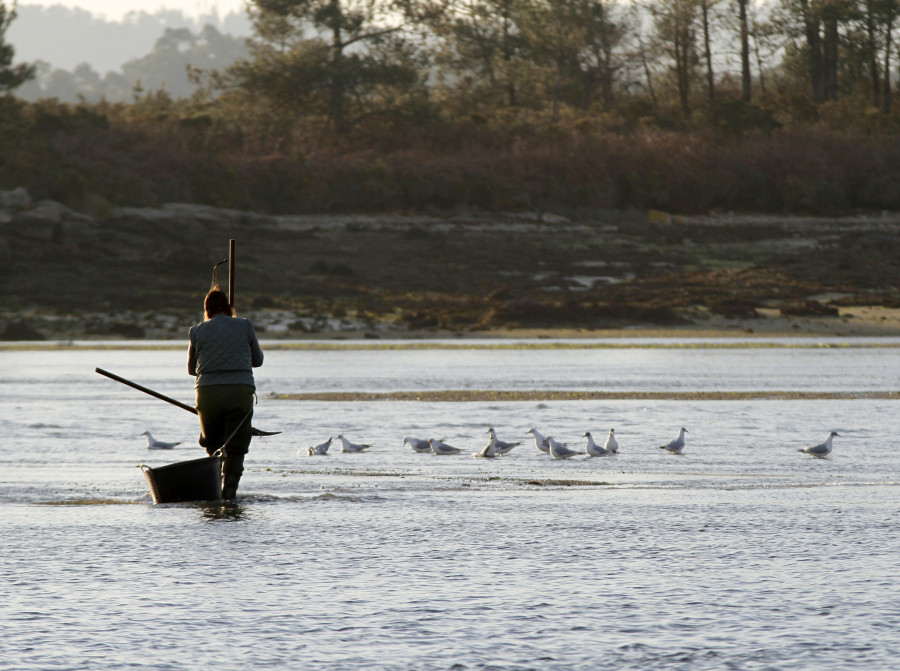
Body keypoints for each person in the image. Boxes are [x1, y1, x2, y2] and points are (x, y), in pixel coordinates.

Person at [187, 286, 264, 500]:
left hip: (207, 394)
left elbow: (191, 369)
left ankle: (214, 492)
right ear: (229, 308)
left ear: (207, 310)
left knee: (213, 444)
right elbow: (257, 361)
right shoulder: (245, 325)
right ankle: (229, 494)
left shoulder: (196, 330)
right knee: (236, 446)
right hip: (240, 392)